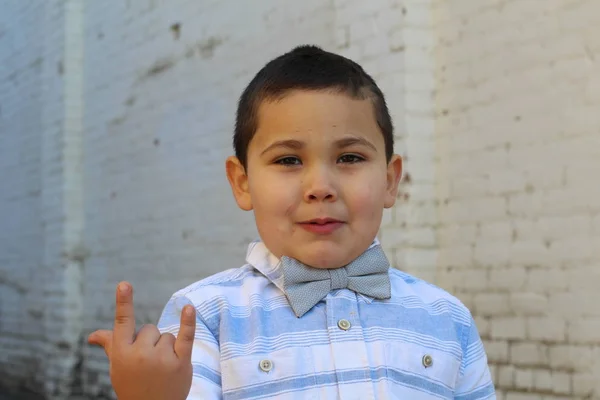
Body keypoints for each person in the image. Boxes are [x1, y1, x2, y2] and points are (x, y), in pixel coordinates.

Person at [88, 44, 496, 400]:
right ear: (243, 182)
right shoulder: (206, 317)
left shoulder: (446, 317)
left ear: (390, 180)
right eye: (288, 160)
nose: (320, 186)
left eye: (350, 158)